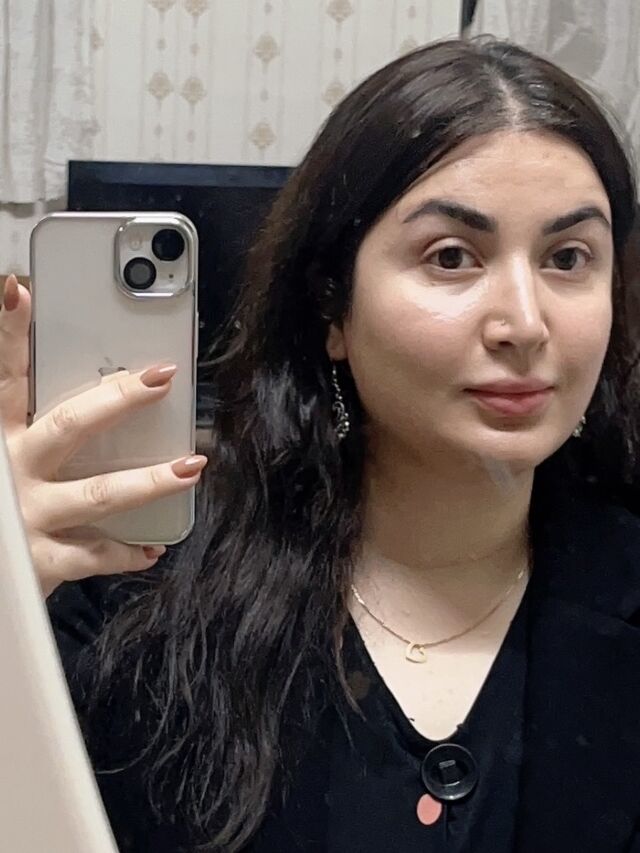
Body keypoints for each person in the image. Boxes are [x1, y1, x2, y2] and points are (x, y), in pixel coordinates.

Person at [2, 34, 640, 853]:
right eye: (452, 256)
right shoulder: (134, 598)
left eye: (568, 257)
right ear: (333, 309)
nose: (524, 322)